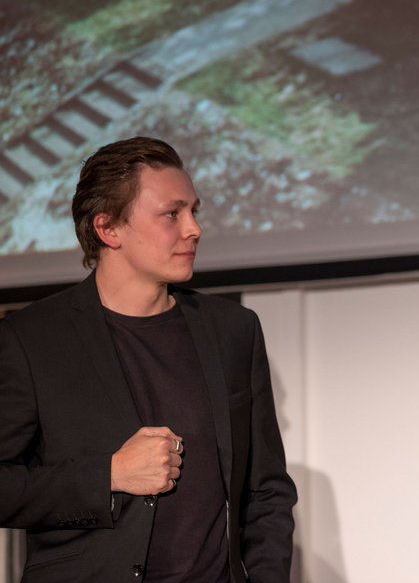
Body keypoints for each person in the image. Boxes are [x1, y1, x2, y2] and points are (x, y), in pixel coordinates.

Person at [0, 137, 297, 581]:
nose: (194, 228)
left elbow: (267, 488)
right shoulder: (31, 338)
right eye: (172, 214)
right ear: (108, 229)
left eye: (194, 211)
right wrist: (108, 474)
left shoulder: (234, 330)